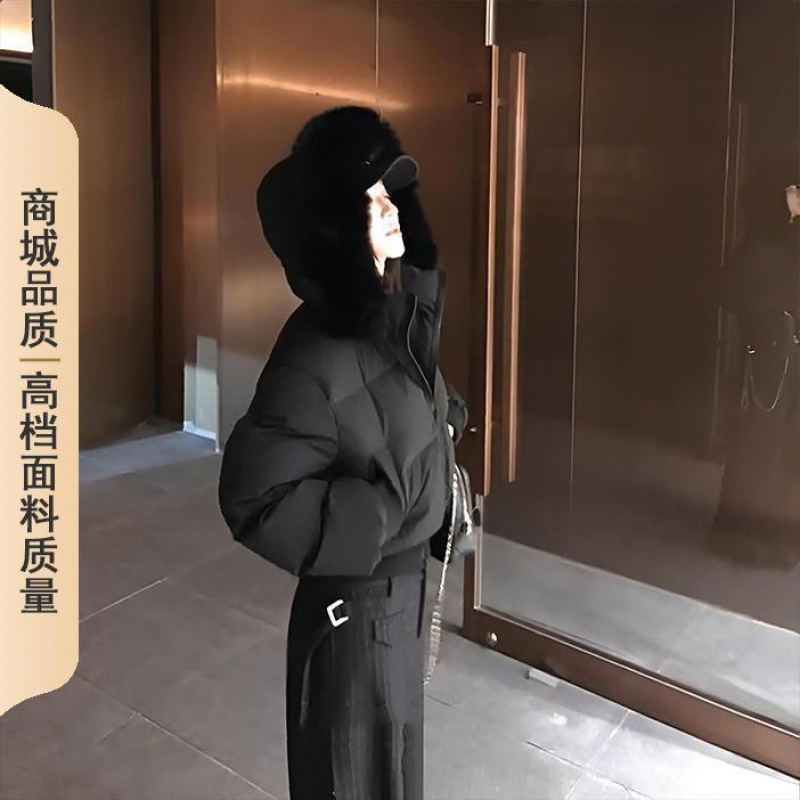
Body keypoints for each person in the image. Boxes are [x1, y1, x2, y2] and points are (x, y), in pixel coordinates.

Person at [217, 105, 468, 799]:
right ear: (333, 231)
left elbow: (393, 410)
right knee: (355, 779)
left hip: (402, 600)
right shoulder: (311, 357)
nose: (391, 210)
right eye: (370, 202)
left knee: (395, 773)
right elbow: (252, 499)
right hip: (357, 618)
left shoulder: (390, 315)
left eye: (392, 193)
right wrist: (378, 515)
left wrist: (444, 423)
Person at [710, 155, 800, 567]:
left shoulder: (789, 239)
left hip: (791, 358)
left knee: (787, 448)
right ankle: (740, 533)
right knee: (757, 446)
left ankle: (777, 534)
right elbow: (731, 292)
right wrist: (776, 314)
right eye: (795, 189)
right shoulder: (760, 243)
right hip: (769, 358)